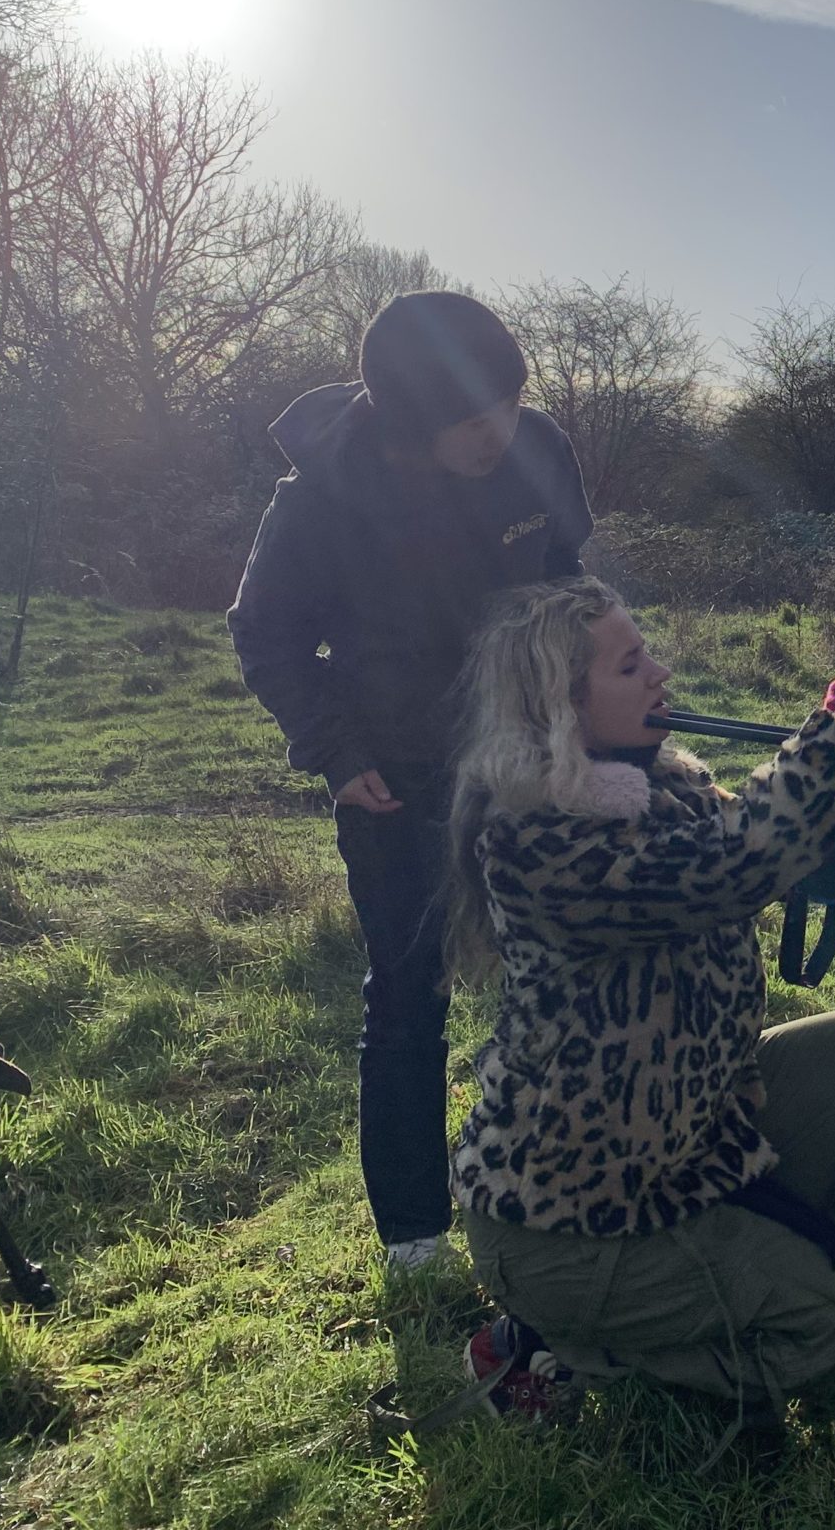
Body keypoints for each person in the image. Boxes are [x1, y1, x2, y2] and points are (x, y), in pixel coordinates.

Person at [444, 577, 835, 1426]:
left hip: (691, 1149)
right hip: (569, 1222)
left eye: (648, 653)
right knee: (818, 1311)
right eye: (630, 664)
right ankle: (554, 1342)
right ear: (561, 705)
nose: (659, 674)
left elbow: (823, 861)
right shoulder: (533, 837)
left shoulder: (671, 789)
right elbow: (726, 870)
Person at [228, 291, 591, 1270]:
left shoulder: (538, 450)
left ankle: (560, 1182)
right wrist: (340, 757)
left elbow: (565, 574)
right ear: (403, 421)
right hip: (396, 770)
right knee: (408, 994)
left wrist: (583, 699)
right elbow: (264, 637)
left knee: (559, 967)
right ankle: (416, 1234)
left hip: (527, 754)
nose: (495, 435)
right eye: (469, 423)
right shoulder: (316, 501)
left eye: (508, 404)